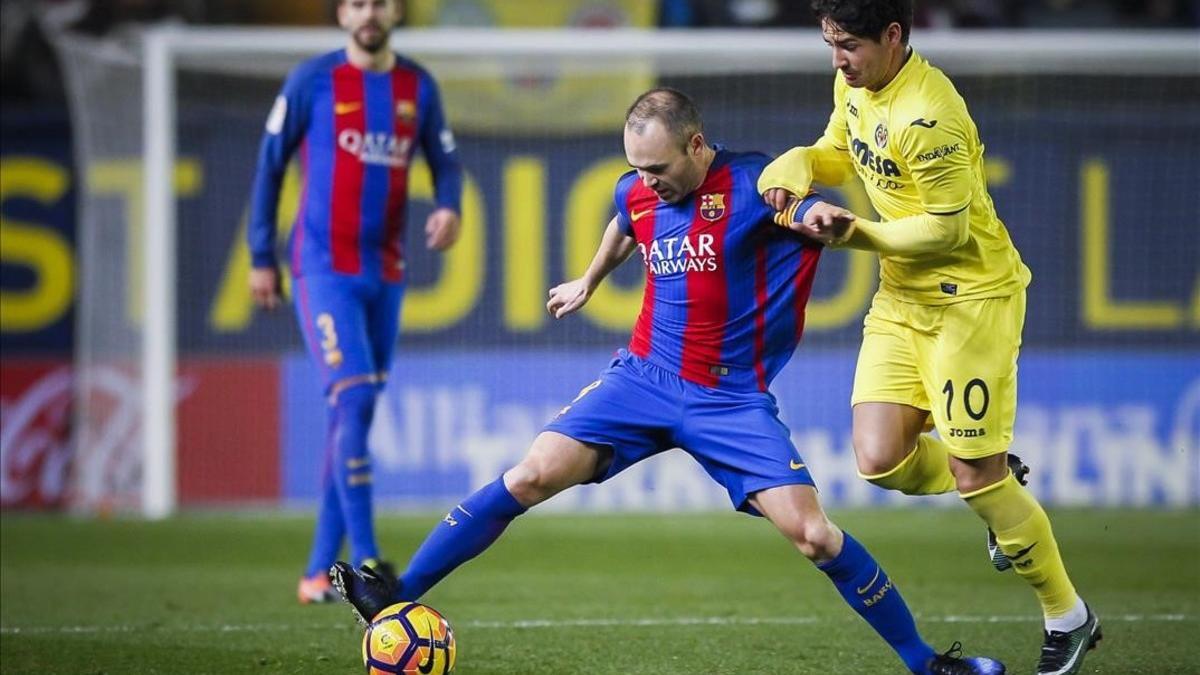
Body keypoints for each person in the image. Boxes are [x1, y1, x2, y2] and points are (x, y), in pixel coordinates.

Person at [332, 88, 1004, 675]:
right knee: (529, 474)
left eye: (658, 167)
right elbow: (625, 220)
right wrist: (589, 279)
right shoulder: (638, 188)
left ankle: (927, 662)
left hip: (729, 398)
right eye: (636, 168)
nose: (646, 181)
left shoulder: (755, 183)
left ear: (697, 144)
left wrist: (824, 222)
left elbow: (806, 215)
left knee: (814, 536)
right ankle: (391, 596)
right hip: (643, 378)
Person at [757, 2, 1099, 674]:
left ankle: (1069, 614)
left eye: (849, 45)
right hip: (902, 297)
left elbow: (946, 229)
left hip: (972, 300)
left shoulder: (930, 113)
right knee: (880, 458)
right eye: (830, 45)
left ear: (893, 36)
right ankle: (1002, 485)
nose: (838, 61)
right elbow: (835, 151)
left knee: (974, 472)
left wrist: (858, 232)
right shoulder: (855, 84)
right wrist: (799, 162)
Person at [247, 0, 463, 604]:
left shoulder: (417, 86)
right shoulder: (312, 80)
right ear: (342, 14)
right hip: (322, 269)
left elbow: (445, 163)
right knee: (357, 397)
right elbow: (270, 166)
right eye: (358, 3)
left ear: (397, 12)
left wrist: (449, 204)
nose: (370, 13)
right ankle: (367, 560)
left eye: (382, 2)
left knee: (353, 416)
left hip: (386, 272)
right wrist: (260, 254)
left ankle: (319, 571)